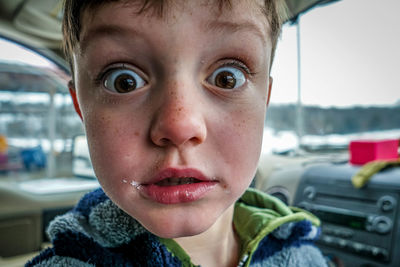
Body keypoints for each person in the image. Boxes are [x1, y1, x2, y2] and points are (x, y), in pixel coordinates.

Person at [26, 0, 328, 266]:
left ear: (265, 100)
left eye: (227, 78)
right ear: (81, 107)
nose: (179, 126)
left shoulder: (305, 257)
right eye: (124, 81)